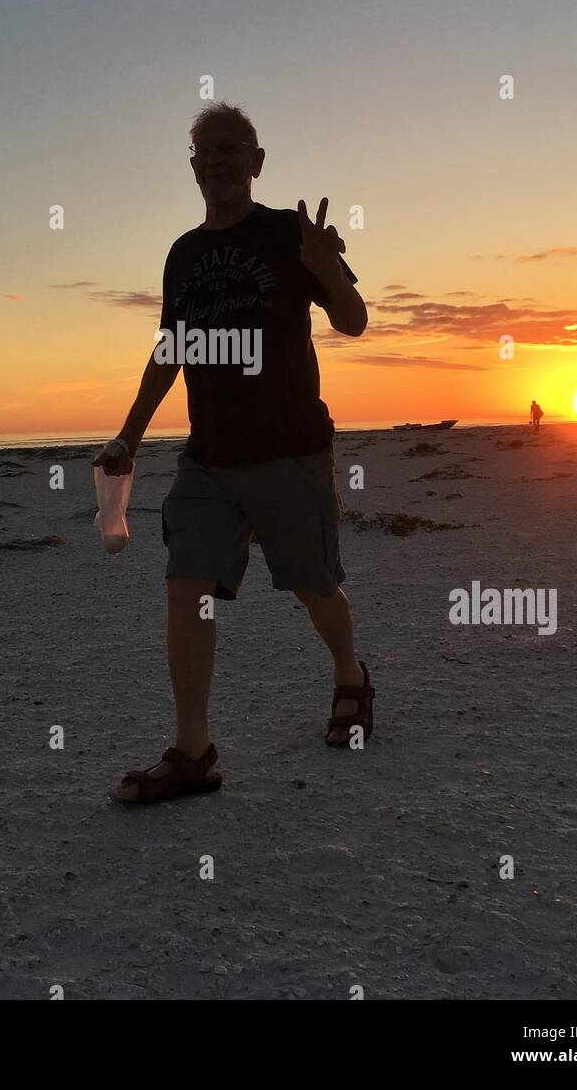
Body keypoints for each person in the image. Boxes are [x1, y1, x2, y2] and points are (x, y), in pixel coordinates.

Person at [94, 101, 372, 804]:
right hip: (208, 460)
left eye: (229, 148)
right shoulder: (183, 254)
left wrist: (325, 268)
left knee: (312, 587)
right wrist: (128, 433)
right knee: (186, 585)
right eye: (201, 150)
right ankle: (193, 751)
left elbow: (353, 321)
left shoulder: (287, 233)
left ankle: (349, 674)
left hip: (289, 452)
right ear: (192, 167)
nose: (215, 159)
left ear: (256, 161)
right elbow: (170, 350)